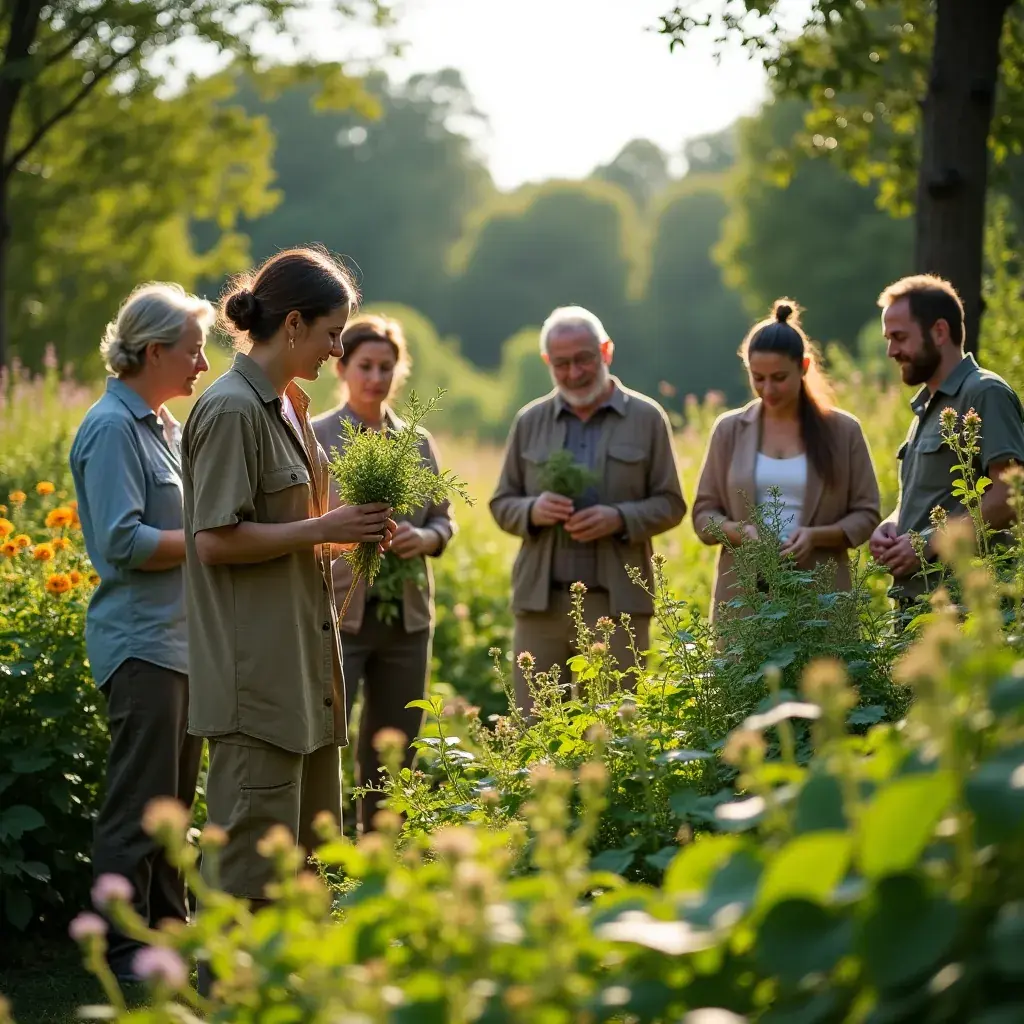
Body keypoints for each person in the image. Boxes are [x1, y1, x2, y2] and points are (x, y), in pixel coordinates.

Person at [180, 247, 396, 908]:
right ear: (295, 323)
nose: (339, 349)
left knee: (300, 881)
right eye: (334, 333)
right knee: (247, 881)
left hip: (301, 682)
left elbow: (284, 538)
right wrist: (322, 530)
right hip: (257, 691)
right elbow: (215, 542)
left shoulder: (287, 407)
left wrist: (345, 537)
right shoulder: (232, 410)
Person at [69, 282, 214, 981]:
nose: (202, 366)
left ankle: (168, 934)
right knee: (138, 807)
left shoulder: (165, 427)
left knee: (174, 805)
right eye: (193, 351)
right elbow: (122, 540)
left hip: (180, 641)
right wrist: (209, 538)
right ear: (154, 351)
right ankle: (121, 952)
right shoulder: (110, 428)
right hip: (141, 643)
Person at [490, 305, 686, 712]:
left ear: (606, 351)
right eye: (561, 364)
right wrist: (533, 511)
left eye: (584, 359)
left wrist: (620, 519)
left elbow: (671, 504)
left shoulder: (647, 418)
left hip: (617, 607)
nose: (574, 372)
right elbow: (501, 503)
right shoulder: (530, 420)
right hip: (541, 605)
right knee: (537, 726)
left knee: (614, 729)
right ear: (548, 362)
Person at [312, 315, 455, 833]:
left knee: (395, 747)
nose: (376, 377)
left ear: (399, 372)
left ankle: (381, 857)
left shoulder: (417, 440)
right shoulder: (318, 435)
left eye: (386, 367)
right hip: (337, 613)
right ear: (343, 368)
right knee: (327, 740)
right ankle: (324, 858)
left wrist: (426, 539)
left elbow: (443, 517)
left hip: (407, 619)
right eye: (365, 366)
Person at [692, 299, 881, 620]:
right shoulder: (728, 429)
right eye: (758, 377)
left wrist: (816, 536)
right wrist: (740, 531)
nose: (768, 389)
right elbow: (703, 516)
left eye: (779, 377)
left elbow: (866, 514)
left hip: (822, 598)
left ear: (804, 367)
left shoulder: (844, 431)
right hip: (743, 601)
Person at [869, 274, 1024, 608]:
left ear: (939, 332)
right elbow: (932, 500)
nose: (891, 351)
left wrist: (929, 541)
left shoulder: (984, 393)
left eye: (899, 337)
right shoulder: (927, 407)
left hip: (969, 609)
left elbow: (1010, 494)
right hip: (917, 608)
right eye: (888, 339)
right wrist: (893, 524)